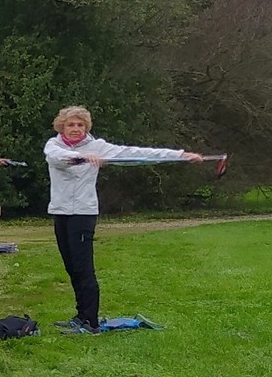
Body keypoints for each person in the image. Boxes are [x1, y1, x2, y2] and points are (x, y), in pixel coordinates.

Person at [44, 106, 202, 333]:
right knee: (71, 268)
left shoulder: (98, 147)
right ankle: (81, 316)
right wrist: (82, 157)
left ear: (87, 127)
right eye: (71, 125)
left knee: (83, 268)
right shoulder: (54, 145)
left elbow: (138, 153)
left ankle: (90, 322)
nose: (76, 129)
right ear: (62, 127)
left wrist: (180, 155)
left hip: (83, 214)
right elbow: (57, 158)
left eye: (81, 125)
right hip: (60, 212)